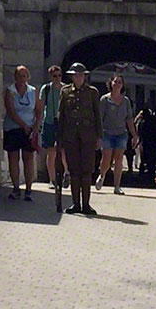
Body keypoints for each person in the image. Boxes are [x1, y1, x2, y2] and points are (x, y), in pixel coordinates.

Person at [57, 64, 101, 215]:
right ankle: (76, 203)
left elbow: (97, 115)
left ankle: (86, 204)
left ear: (84, 76)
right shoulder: (65, 91)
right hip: (70, 136)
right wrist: (59, 137)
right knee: (74, 170)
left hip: (88, 136)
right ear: (72, 77)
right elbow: (61, 115)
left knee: (87, 171)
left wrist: (99, 136)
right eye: (75, 75)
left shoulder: (92, 92)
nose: (78, 78)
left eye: (81, 75)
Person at [2, 65, 42, 201]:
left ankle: (29, 190)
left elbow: (39, 109)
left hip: (29, 129)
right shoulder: (10, 91)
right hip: (12, 128)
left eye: (24, 76)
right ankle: (16, 188)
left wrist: (36, 125)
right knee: (13, 157)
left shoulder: (33, 91)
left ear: (28, 77)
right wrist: (23, 125)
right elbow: (11, 111)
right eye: (19, 76)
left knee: (28, 158)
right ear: (15, 77)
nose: (22, 79)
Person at [95, 74, 138, 194]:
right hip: (107, 133)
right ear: (111, 83)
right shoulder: (104, 99)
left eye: (120, 82)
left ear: (122, 85)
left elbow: (129, 119)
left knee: (119, 159)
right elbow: (99, 118)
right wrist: (98, 135)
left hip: (121, 133)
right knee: (107, 158)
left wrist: (134, 135)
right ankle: (102, 175)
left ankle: (117, 186)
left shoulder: (126, 101)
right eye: (115, 82)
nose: (117, 84)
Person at [38, 65, 67, 193]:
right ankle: (52, 180)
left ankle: (67, 173)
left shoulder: (65, 89)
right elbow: (40, 107)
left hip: (63, 124)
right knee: (51, 152)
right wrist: (38, 124)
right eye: (55, 76)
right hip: (49, 122)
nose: (57, 78)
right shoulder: (46, 89)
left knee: (64, 150)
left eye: (59, 75)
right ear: (51, 76)